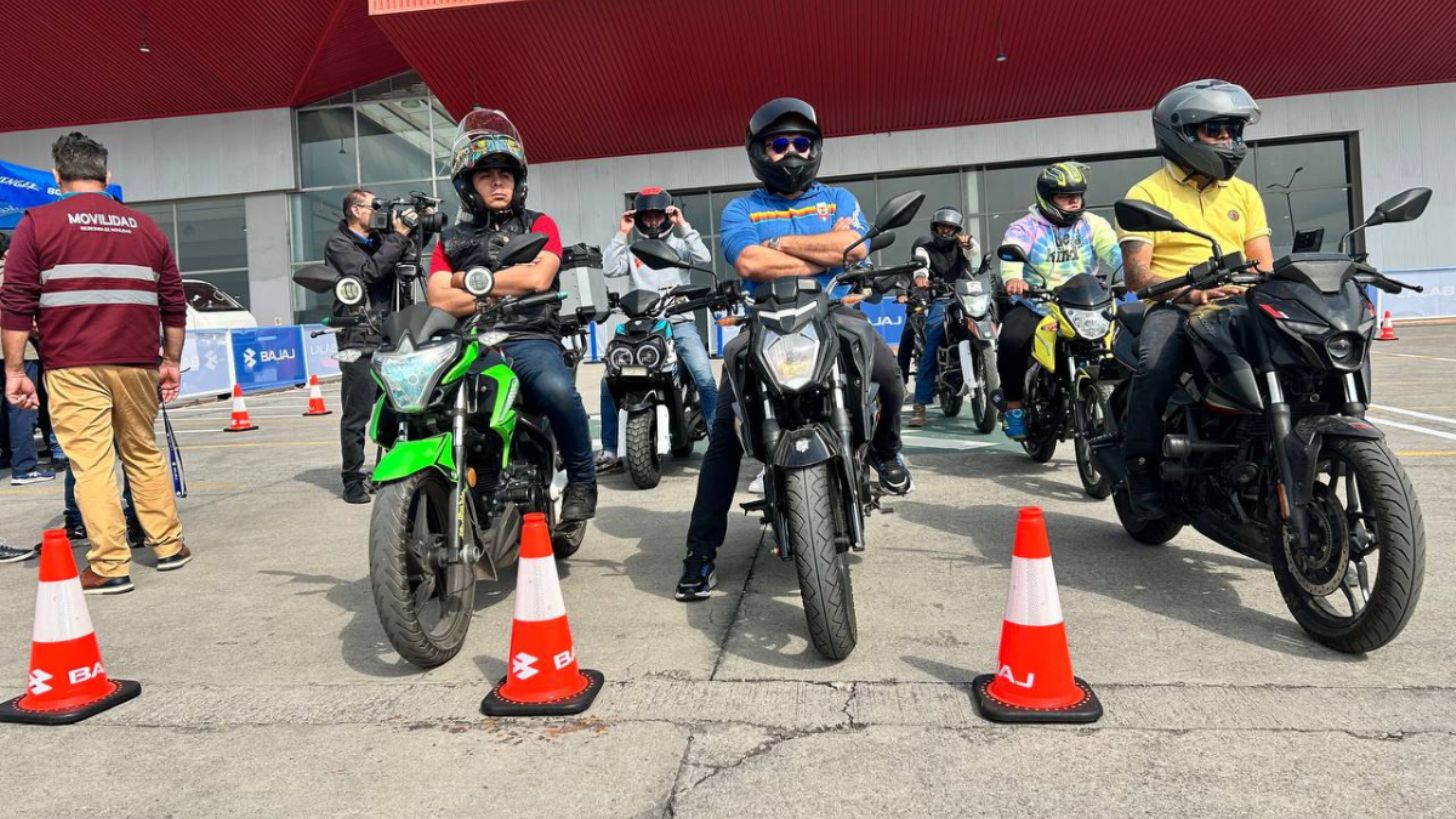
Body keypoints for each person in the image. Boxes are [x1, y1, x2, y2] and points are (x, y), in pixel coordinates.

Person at [676, 97, 913, 601]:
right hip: (763, 319)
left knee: (889, 375)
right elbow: (750, 264)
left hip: (834, 311)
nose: (790, 152)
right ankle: (700, 553)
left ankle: (886, 451)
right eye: (778, 144)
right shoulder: (741, 208)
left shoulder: (838, 198)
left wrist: (779, 244)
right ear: (759, 152)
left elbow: (854, 249)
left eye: (801, 142)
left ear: (815, 148)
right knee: (724, 434)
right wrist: (824, 250)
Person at [0, 132, 191, 594]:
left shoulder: (37, 223)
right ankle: (168, 545)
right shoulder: (145, 227)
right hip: (137, 362)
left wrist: (14, 371)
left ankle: (109, 565)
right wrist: (170, 360)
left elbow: (16, 301)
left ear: (57, 176)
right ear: (107, 175)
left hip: (73, 363)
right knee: (142, 452)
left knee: (92, 463)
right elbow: (173, 301)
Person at [425, 108, 598, 540]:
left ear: (518, 181)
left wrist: (466, 281)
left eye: (505, 174)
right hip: (467, 342)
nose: (498, 182)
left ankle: (582, 480)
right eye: (486, 175)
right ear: (468, 184)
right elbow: (437, 297)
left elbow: (538, 277)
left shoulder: (540, 224)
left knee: (557, 390)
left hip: (527, 336)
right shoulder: (449, 239)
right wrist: (502, 283)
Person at [1119, 79, 1272, 518]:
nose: (1228, 140)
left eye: (1233, 130)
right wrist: (1191, 290)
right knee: (1155, 363)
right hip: (1175, 304)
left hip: (1238, 302)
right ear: (1181, 133)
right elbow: (1137, 273)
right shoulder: (1147, 194)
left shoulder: (1244, 193)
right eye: (1215, 130)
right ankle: (1140, 468)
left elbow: (1263, 263)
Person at [997, 161, 1123, 439]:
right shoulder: (1025, 227)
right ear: (1047, 198)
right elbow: (1012, 251)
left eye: (1077, 196)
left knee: (1125, 338)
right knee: (1011, 339)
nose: (1074, 202)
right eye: (1066, 197)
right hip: (1039, 303)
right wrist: (1014, 279)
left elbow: (1114, 253)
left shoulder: (1093, 224)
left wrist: (1131, 273)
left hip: (1085, 303)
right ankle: (1014, 406)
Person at [596, 186, 718, 471]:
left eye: (657, 216)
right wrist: (621, 232)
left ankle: (718, 441)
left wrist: (683, 225)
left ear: (667, 215)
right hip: (643, 324)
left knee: (704, 376)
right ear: (639, 219)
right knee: (608, 380)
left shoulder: (681, 246)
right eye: (647, 217)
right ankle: (610, 450)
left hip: (679, 322)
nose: (652, 222)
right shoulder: (632, 250)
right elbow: (609, 268)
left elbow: (704, 258)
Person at [325, 188, 413, 504]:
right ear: (354, 210)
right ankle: (352, 479)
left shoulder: (381, 239)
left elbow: (406, 253)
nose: (378, 211)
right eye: (373, 206)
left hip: (392, 330)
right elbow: (369, 272)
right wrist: (397, 236)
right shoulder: (339, 244)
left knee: (401, 404)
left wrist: (414, 227)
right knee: (358, 411)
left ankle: (393, 469)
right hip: (359, 333)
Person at [908, 207, 981, 427]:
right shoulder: (925, 248)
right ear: (935, 228)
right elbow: (921, 265)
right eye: (943, 227)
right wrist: (921, 277)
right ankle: (920, 404)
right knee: (932, 340)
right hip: (942, 299)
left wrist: (970, 245)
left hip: (966, 298)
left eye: (951, 228)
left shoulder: (963, 245)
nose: (946, 231)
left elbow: (975, 256)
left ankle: (1001, 400)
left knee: (989, 332)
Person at [0, 231, 54, 486]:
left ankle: (7, 456)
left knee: (5, 407)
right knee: (22, 408)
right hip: (17, 350)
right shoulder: (10, 274)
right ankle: (24, 468)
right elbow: (23, 312)